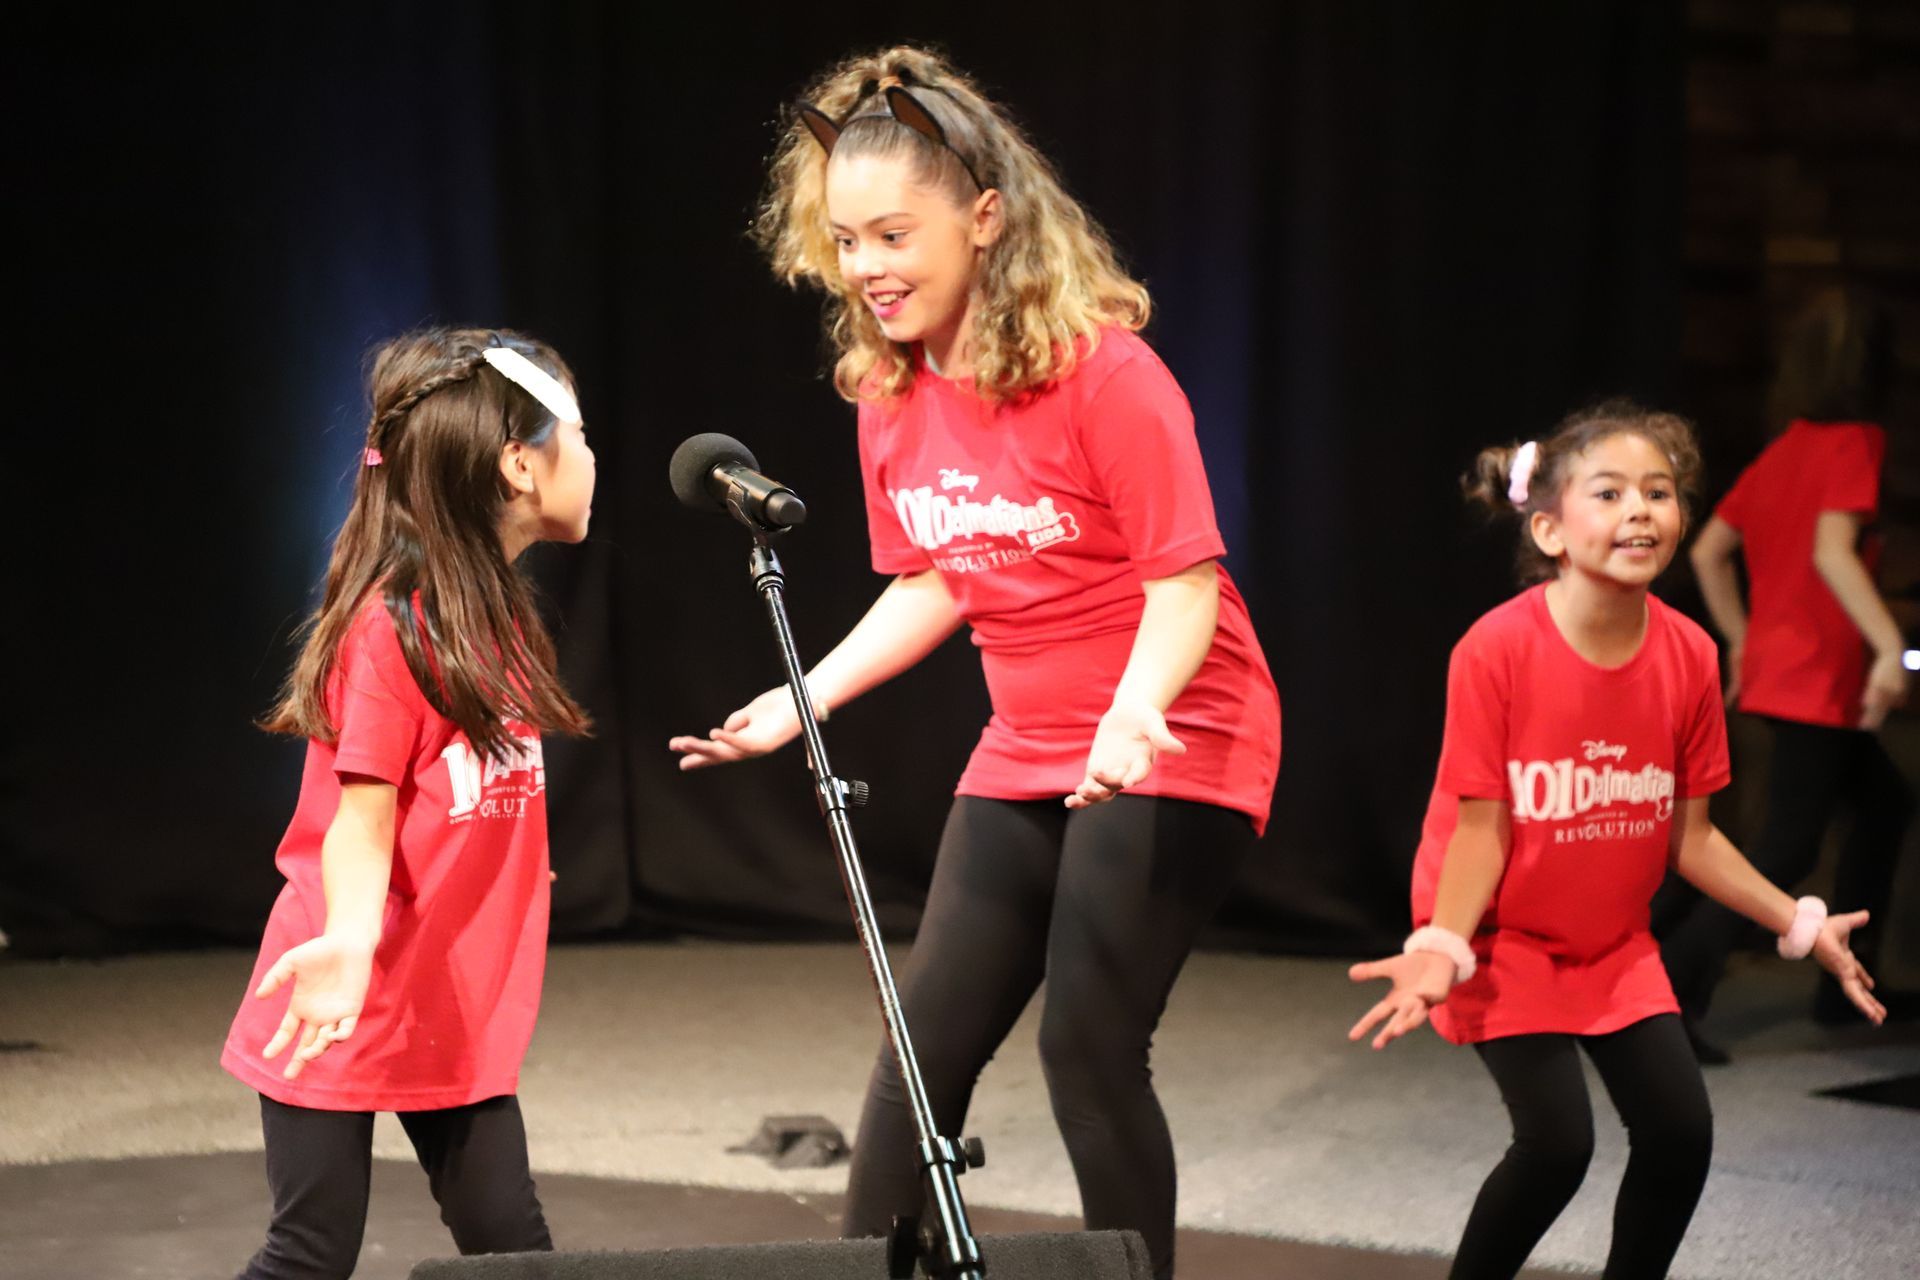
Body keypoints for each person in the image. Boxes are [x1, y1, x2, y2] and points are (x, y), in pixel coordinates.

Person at [670, 46, 1279, 1280]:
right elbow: (938, 575)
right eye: (846, 242)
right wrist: (803, 702)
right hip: (1027, 744)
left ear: (986, 217)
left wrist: (1131, 715)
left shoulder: (1107, 373)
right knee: (918, 1051)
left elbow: (1186, 583)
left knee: (1087, 1051)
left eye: (894, 235)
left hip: (1178, 729)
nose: (868, 269)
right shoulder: (886, 387)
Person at [1347, 401, 1884, 1280]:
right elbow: (1479, 830)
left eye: (1659, 492)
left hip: (1612, 944)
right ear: (1552, 529)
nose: (1642, 510)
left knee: (1680, 1133)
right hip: (1500, 937)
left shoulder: (1691, 655)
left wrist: (1799, 920)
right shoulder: (1495, 650)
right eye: (1611, 493)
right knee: (1557, 1145)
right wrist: (1442, 947)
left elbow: (1692, 837)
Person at [222, 327, 596, 1279]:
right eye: (580, 436)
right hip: (341, 998)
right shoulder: (394, 627)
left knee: (514, 1248)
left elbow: (468, 791)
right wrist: (349, 940)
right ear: (520, 463)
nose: (592, 458)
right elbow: (362, 812)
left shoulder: (499, 615)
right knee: (310, 1251)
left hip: (448, 1002)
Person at [1660, 287, 1911, 1052]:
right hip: (1816, 680)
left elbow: (1708, 551)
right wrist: (1888, 649)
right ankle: (1670, 1000)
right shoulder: (1854, 444)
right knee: (1784, 848)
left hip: (1785, 672)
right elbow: (1832, 554)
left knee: (1885, 804)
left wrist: (1742, 639)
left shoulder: (1786, 448)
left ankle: (1848, 981)